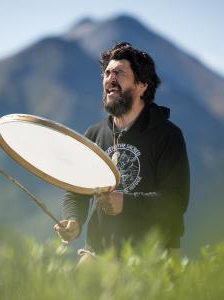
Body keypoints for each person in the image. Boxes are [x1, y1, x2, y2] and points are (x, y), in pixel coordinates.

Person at [54, 42, 190, 260]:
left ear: (142, 85)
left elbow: (175, 202)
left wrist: (125, 203)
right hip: (98, 253)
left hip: (153, 256)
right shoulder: (94, 134)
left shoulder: (167, 135)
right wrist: (74, 220)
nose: (110, 78)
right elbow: (76, 190)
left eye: (119, 72)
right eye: (107, 73)